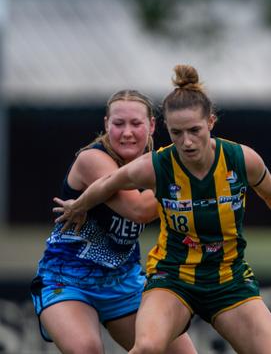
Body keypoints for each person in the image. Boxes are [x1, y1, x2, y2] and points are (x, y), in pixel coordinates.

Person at [54, 64, 271, 354]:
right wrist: (78, 205)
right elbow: (107, 184)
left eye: (194, 130)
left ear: (211, 122)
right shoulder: (155, 165)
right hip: (173, 277)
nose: (187, 142)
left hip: (228, 278)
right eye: (177, 132)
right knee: (146, 347)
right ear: (166, 129)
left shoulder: (241, 159)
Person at [30, 90, 196, 353]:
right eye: (118, 124)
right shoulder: (92, 160)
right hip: (67, 280)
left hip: (124, 281)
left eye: (136, 124)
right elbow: (139, 210)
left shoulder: (157, 165)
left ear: (152, 126)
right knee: (87, 349)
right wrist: (190, 178)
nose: (127, 132)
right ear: (107, 124)